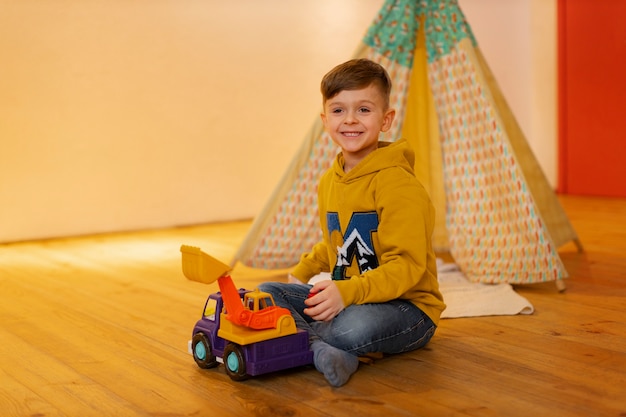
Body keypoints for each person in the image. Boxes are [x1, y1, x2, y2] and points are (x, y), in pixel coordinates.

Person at [258, 58, 445, 387]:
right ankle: (324, 350)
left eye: (364, 110)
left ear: (386, 119)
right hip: (352, 296)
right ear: (324, 119)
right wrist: (303, 270)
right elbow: (339, 241)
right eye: (339, 110)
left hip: (407, 309)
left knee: (353, 327)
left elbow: (407, 266)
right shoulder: (329, 182)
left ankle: (309, 341)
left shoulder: (399, 185)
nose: (350, 121)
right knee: (268, 292)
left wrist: (347, 292)